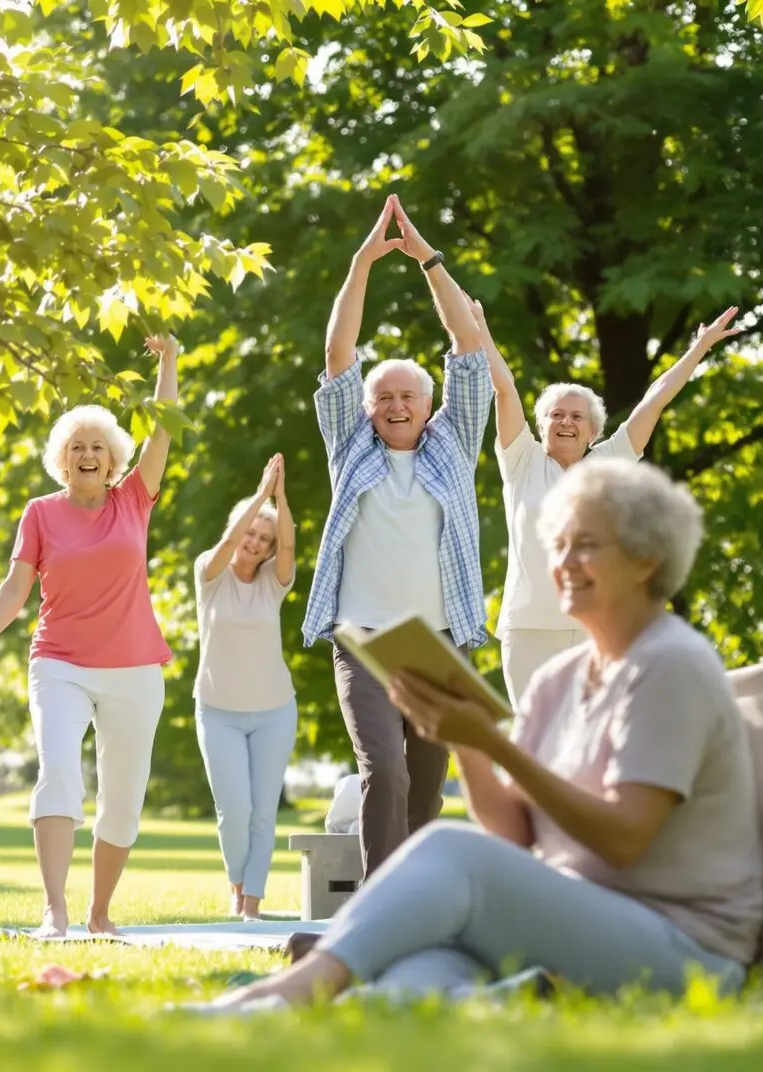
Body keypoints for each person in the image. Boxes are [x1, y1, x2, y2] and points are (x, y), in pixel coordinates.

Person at [219, 458, 763, 1007]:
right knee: (416, 975)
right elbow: (516, 834)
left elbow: (624, 839)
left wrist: (494, 742)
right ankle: (270, 1017)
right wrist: (461, 735)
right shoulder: (560, 680)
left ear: (647, 559)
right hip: (579, 922)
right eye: (558, 545)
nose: (564, 563)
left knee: (449, 847)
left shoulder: (669, 664)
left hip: (682, 947)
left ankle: (288, 990)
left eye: (587, 545)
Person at [0, 335, 181, 937]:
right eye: (76, 446)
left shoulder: (134, 498)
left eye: (98, 447)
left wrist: (167, 363)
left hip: (135, 668)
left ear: (112, 460)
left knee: (124, 794)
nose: (88, 454)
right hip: (60, 662)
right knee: (59, 771)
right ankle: (54, 909)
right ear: (62, 459)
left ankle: (99, 912)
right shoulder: (40, 512)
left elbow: (162, 433)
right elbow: (15, 586)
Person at [303, 194, 495, 881]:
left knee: (425, 778)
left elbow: (470, 350)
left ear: (428, 403)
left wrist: (429, 262)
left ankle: (412, 891)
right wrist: (361, 265)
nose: (394, 405)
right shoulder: (350, 450)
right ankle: (379, 898)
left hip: (438, 641)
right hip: (363, 638)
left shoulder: (453, 446)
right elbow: (337, 351)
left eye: (407, 395)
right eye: (382, 397)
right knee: (381, 766)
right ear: (366, 408)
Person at [486, 301, 744, 703]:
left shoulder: (609, 462)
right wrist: (479, 327)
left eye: (576, 416)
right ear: (541, 427)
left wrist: (699, 348)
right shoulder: (523, 460)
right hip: (530, 630)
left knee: (595, 738)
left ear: (593, 431)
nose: (566, 422)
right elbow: (503, 385)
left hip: (599, 624)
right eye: (557, 415)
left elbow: (655, 399)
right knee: (537, 745)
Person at [193, 454, 297, 921]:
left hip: (275, 710)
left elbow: (291, 550)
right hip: (218, 711)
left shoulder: (273, 584)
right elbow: (232, 539)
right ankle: (236, 885)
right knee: (233, 810)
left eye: (265, 539)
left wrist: (280, 497)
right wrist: (259, 498)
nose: (254, 542)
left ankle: (251, 902)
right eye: (250, 532)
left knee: (262, 813)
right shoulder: (208, 575)